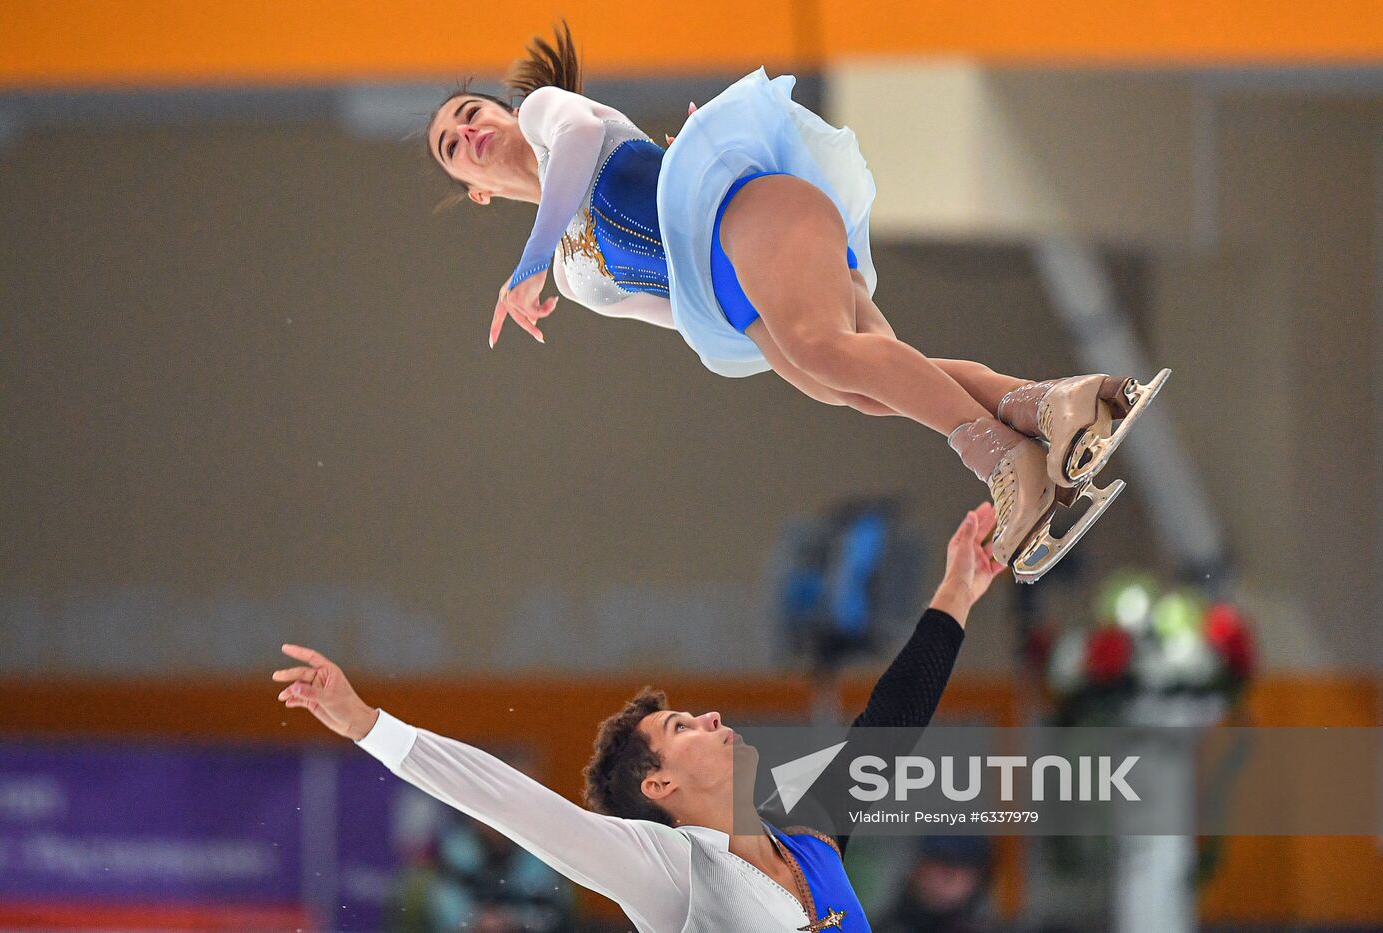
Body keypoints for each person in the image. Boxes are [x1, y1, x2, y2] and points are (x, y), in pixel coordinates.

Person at [423, 22, 1169, 582]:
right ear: (476, 191)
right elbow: (677, 310)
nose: (467, 131)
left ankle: (1005, 463)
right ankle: (1056, 405)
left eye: (467, 113)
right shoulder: (570, 274)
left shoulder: (547, 115)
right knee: (854, 384)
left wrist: (525, 265)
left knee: (829, 353)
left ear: (499, 110)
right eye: (451, 146)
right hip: (736, 289)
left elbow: (586, 138)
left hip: (747, 211)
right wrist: (763, 337)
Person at [275, 504, 1005, 932]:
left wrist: (957, 590)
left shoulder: (812, 836)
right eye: (682, 727)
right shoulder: (670, 871)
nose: (710, 715)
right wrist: (370, 724)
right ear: (656, 788)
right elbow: (513, 802)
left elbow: (889, 722)